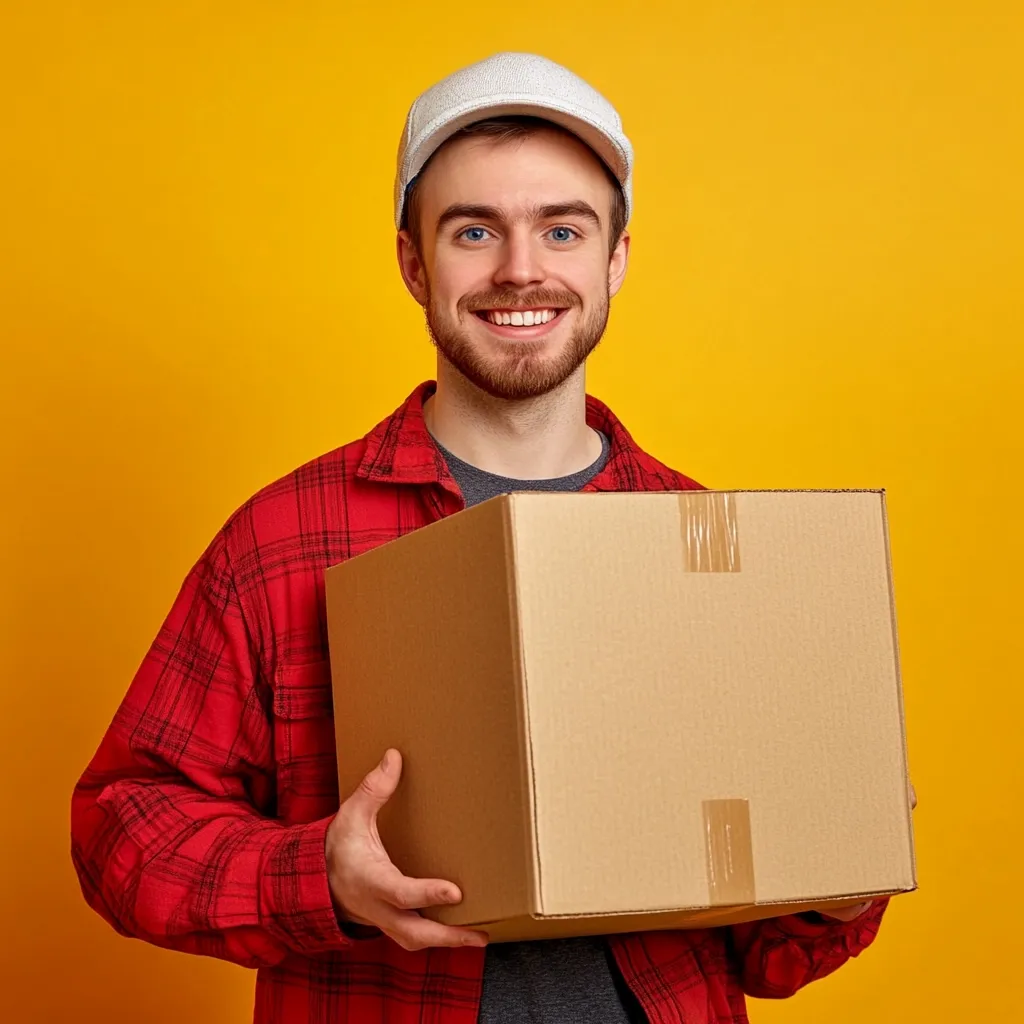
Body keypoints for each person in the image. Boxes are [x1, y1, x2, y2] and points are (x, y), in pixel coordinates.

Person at [72, 52, 893, 1024]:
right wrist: (317, 876)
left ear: (615, 258)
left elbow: (765, 949)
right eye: (474, 230)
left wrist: (837, 881)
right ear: (413, 261)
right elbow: (120, 829)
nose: (520, 269)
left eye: (561, 228)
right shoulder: (282, 537)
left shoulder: (701, 542)